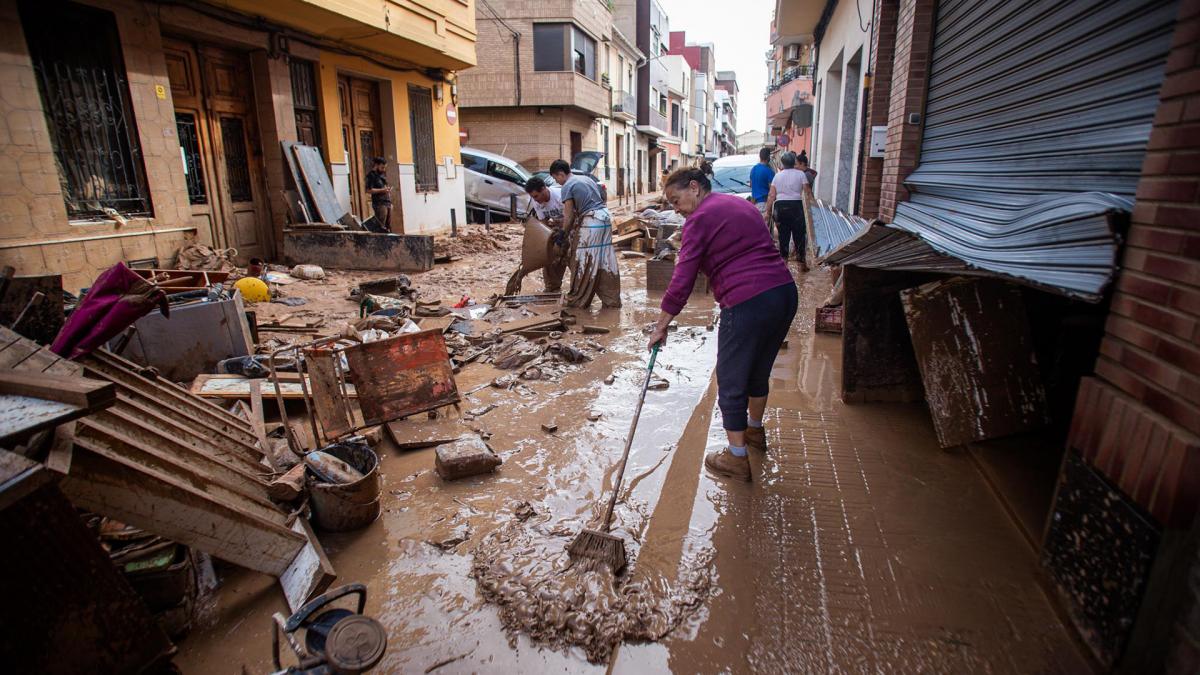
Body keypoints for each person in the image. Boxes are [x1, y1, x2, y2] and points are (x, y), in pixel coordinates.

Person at [646, 166, 798, 482]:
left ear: (694, 187)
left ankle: (736, 457)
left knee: (730, 379)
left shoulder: (698, 220)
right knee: (758, 370)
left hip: (748, 301)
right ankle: (754, 433)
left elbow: (682, 280)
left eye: (676, 200)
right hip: (783, 293)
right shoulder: (740, 205)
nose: (676, 209)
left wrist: (661, 324)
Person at [550, 159, 621, 308]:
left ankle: (577, 300)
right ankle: (611, 300)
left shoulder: (567, 186)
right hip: (605, 220)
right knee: (605, 260)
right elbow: (602, 198)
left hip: (592, 223)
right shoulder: (586, 179)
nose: (556, 181)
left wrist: (561, 237)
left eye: (555, 178)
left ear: (560, 174)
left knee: (582, 260)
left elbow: (568, 217)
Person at [765, 151, 812, 271]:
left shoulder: (777, 176)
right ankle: (802, 265)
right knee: (799, 236)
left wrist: (768, 212)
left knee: (783, 237)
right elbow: (807, 193)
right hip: (797, 207)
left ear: (782, 163)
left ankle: (784, 265)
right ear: (794, 162)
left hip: (780, 209)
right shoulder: (801, 174)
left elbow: (771, 195)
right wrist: (812, 209)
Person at [524, 176, 567, 292]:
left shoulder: (560, 195)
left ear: (544, 189)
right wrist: (543, 244)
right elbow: (543, 223)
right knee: (548, 255)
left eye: (536, 196)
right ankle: (552, 287)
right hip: (557, 227)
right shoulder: (536, 201)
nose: (535, 199)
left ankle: (578, 289)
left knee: (571, 256)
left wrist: (561, 238)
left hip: (571, 225)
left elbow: (570, 218)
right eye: (533, 197)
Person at [364, 157, 392, 233]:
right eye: (382, 167)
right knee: (381, 226)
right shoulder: (371, 175)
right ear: (376, 165)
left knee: (388, 226)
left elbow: (383, 187)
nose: (384, 170)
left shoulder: (381, 175)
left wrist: (387, 189)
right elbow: (368, 190)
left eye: (384, 168)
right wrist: (382, 190)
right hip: (379, 204)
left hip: (387, 202)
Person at [749, 147, 775, 221]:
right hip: (764, 205)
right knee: (764, 230)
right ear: (768, 157)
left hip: (754, 204)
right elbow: (772, 191)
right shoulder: (769, 172)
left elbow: (751, 185)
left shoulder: (753, 169)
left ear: (760, 157)